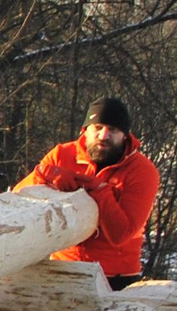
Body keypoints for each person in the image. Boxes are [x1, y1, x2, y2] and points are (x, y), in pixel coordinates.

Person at [18, 95, 160, 288]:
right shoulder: (62, 155)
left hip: (114, 277)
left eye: (113, 130)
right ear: (85, 130)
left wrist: (100, 192)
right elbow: (18, 199)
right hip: (62, 269)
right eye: (98, 128)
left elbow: (121, 234)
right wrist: (43, 175)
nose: (104, 136)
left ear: (125, 135)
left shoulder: (142, 171)